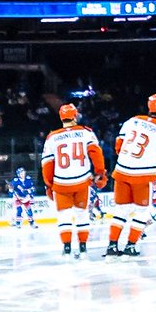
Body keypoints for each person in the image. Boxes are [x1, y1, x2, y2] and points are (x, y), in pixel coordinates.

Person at [104, 93, 156, 257]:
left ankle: (112, 246)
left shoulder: (132, 121)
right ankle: (131, 246)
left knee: (121, 211)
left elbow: (118, 147)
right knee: (142, 213)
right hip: (143, 176)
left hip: (121, 172)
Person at [41, 104, 107, 256]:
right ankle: (83, 246)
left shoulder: (52, 137)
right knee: (82, 214)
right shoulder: (86, 132)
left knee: (63, 215)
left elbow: (47, 163)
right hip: (81, 182)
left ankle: (67, 247)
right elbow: (96, 153)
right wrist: (100, 172)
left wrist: (49, 184)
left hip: (61, 184)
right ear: (75, 116)